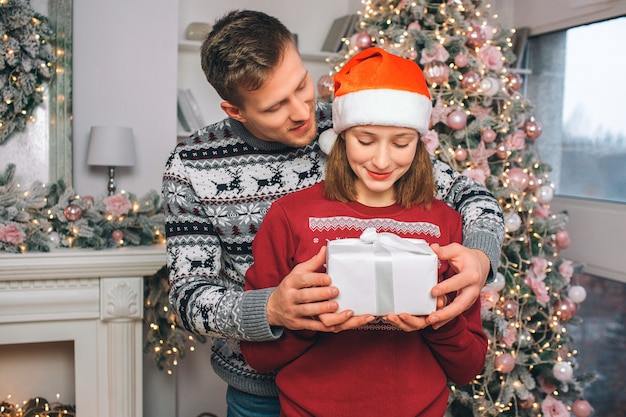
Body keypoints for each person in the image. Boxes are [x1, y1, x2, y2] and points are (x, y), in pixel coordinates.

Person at [162, 9, 503, 417]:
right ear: (236, 111)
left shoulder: (356, 124)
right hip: (260, 391)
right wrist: (271, 309)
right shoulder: (191, 164)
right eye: (275, 107)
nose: (304, 112)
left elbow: (469, 197)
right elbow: (187, 297)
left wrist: (480, 257)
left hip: (388, 389)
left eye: (302, 85)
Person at [240, 47, 488, 417]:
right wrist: (307, 320)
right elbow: (258, 358)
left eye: (401, 143)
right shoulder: (290, 216)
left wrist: (439, 323)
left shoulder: (445, 222)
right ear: (341, 137)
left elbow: (469, 367)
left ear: (419, 144)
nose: (382, 161)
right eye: (365, 140)